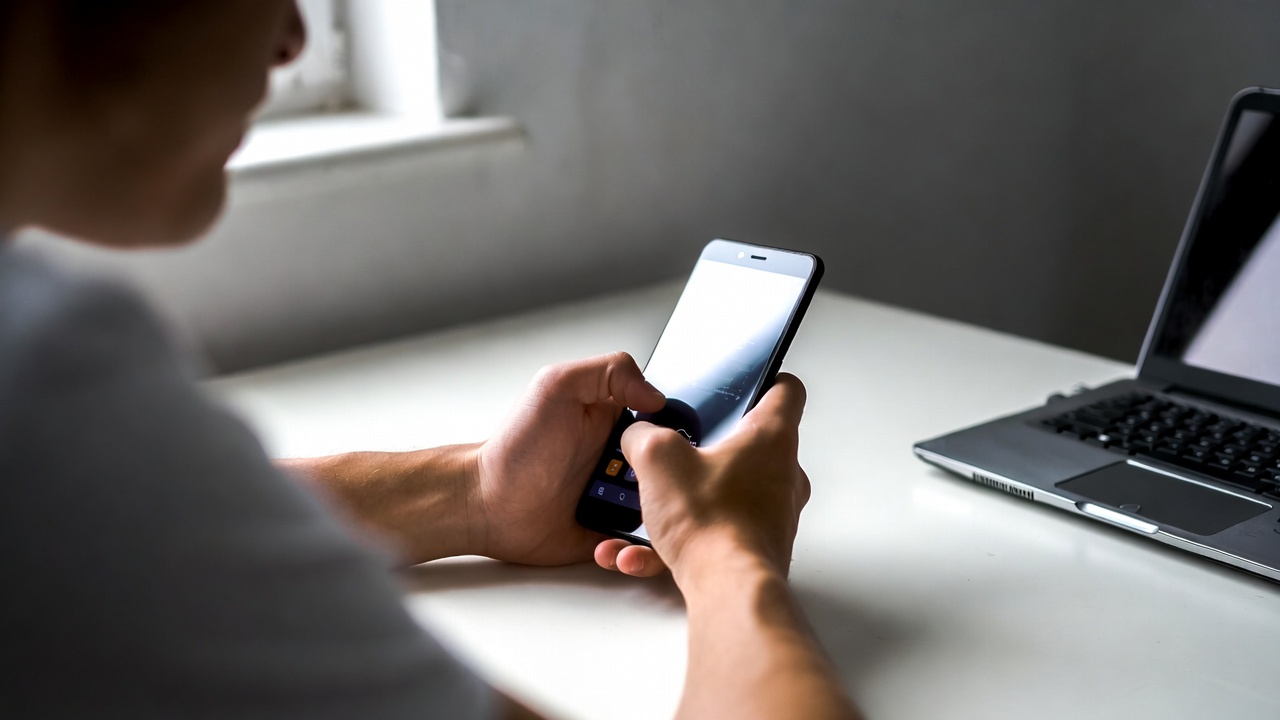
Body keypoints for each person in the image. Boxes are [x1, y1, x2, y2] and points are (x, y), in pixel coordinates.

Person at [0, 2, 860, 718]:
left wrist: (478, 495)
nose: (294, 36)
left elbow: (148, 527)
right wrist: (725, 557)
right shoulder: (43, 386)